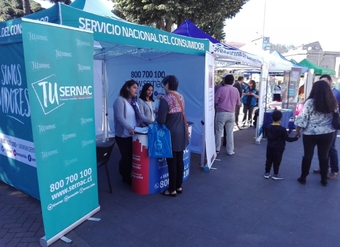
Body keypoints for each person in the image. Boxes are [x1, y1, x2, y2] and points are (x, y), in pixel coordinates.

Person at [295, 80, 338, 186]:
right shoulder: (333, 102)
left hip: (310, 133)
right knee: (324, 156)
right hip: (328, 133)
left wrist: (298, 130)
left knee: (308, 155)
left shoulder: (310, 102)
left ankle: (303, 177)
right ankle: (324, 179)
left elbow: (303, 117)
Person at [113, 80, 152, 185]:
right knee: (126, 157)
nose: (136, 90)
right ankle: (124, 176)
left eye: (137, 88)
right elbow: (120, 117)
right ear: (127, 88)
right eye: (134, 87)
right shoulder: (120, 100)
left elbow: (140, 116)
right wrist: (129, 128)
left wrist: (150, 121)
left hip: (134, 134)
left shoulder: (134, 101)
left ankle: (129, 174)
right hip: (123, 135)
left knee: (131, 156)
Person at [157, 75, 189, 197]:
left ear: (167, 85)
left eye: (164, 85)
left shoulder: (166, 98)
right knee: (179, 160)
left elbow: (161, 120)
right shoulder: (180, 96)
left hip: (171, 133)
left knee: (172, 162)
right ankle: (179, 186)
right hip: (181, 130)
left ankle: (171, 189)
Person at [313, 74, 340, 179]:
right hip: (322, 124)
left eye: (324, 81)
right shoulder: (320, 92)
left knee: (331, 147)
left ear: (330, 81)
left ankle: (335, 170)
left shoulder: (337, 93)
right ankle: (324, 167)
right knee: (324, 147)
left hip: (332, 124)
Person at [264, 110, 299, 180]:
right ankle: (275, 174)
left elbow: (267, 136)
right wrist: (296, 138)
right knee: (277, 161)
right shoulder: (282, 129)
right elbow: (288, 139)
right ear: (281, 118)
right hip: (279, 148)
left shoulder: (268, 128)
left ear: (271, 118)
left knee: (269, 160)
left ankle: (267, 172)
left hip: (270, 147)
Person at [215, 74, 241, 156]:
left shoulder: (221, 89)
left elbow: (215, 101)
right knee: (230, 133)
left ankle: (216, 149)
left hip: (221, 113)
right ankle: (230, 150)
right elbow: (238, 103)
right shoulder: (236, 90)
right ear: (233, 81)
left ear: (224, 80)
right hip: (231, 113)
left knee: (218, 132)